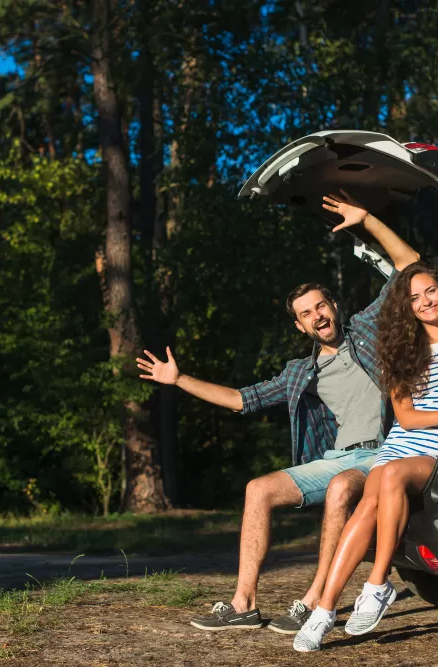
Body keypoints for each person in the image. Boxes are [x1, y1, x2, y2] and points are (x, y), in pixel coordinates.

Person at [137, 191, 420, 633]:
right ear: (299, 325)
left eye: (321, 306)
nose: (318, 316)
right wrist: (179, 381)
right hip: (335, 457)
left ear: (334, 306)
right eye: (307, 314)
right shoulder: (299, 372)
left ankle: (314, 601)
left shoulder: (366, 329)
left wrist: (365, 219)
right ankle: (243, 603)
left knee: (344, 488)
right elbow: (239, 399)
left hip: (381, 454)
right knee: (258, 489)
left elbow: (409, 267)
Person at [291, 262, 438, 652]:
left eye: (430, 291)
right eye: (414, 298)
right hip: (400, 444)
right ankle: (324, 610)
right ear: (405, 308)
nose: (424, 302)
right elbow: (405, 417)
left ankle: (376, 585)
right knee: (369, 500)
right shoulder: (403, 352)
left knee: (387, 478)